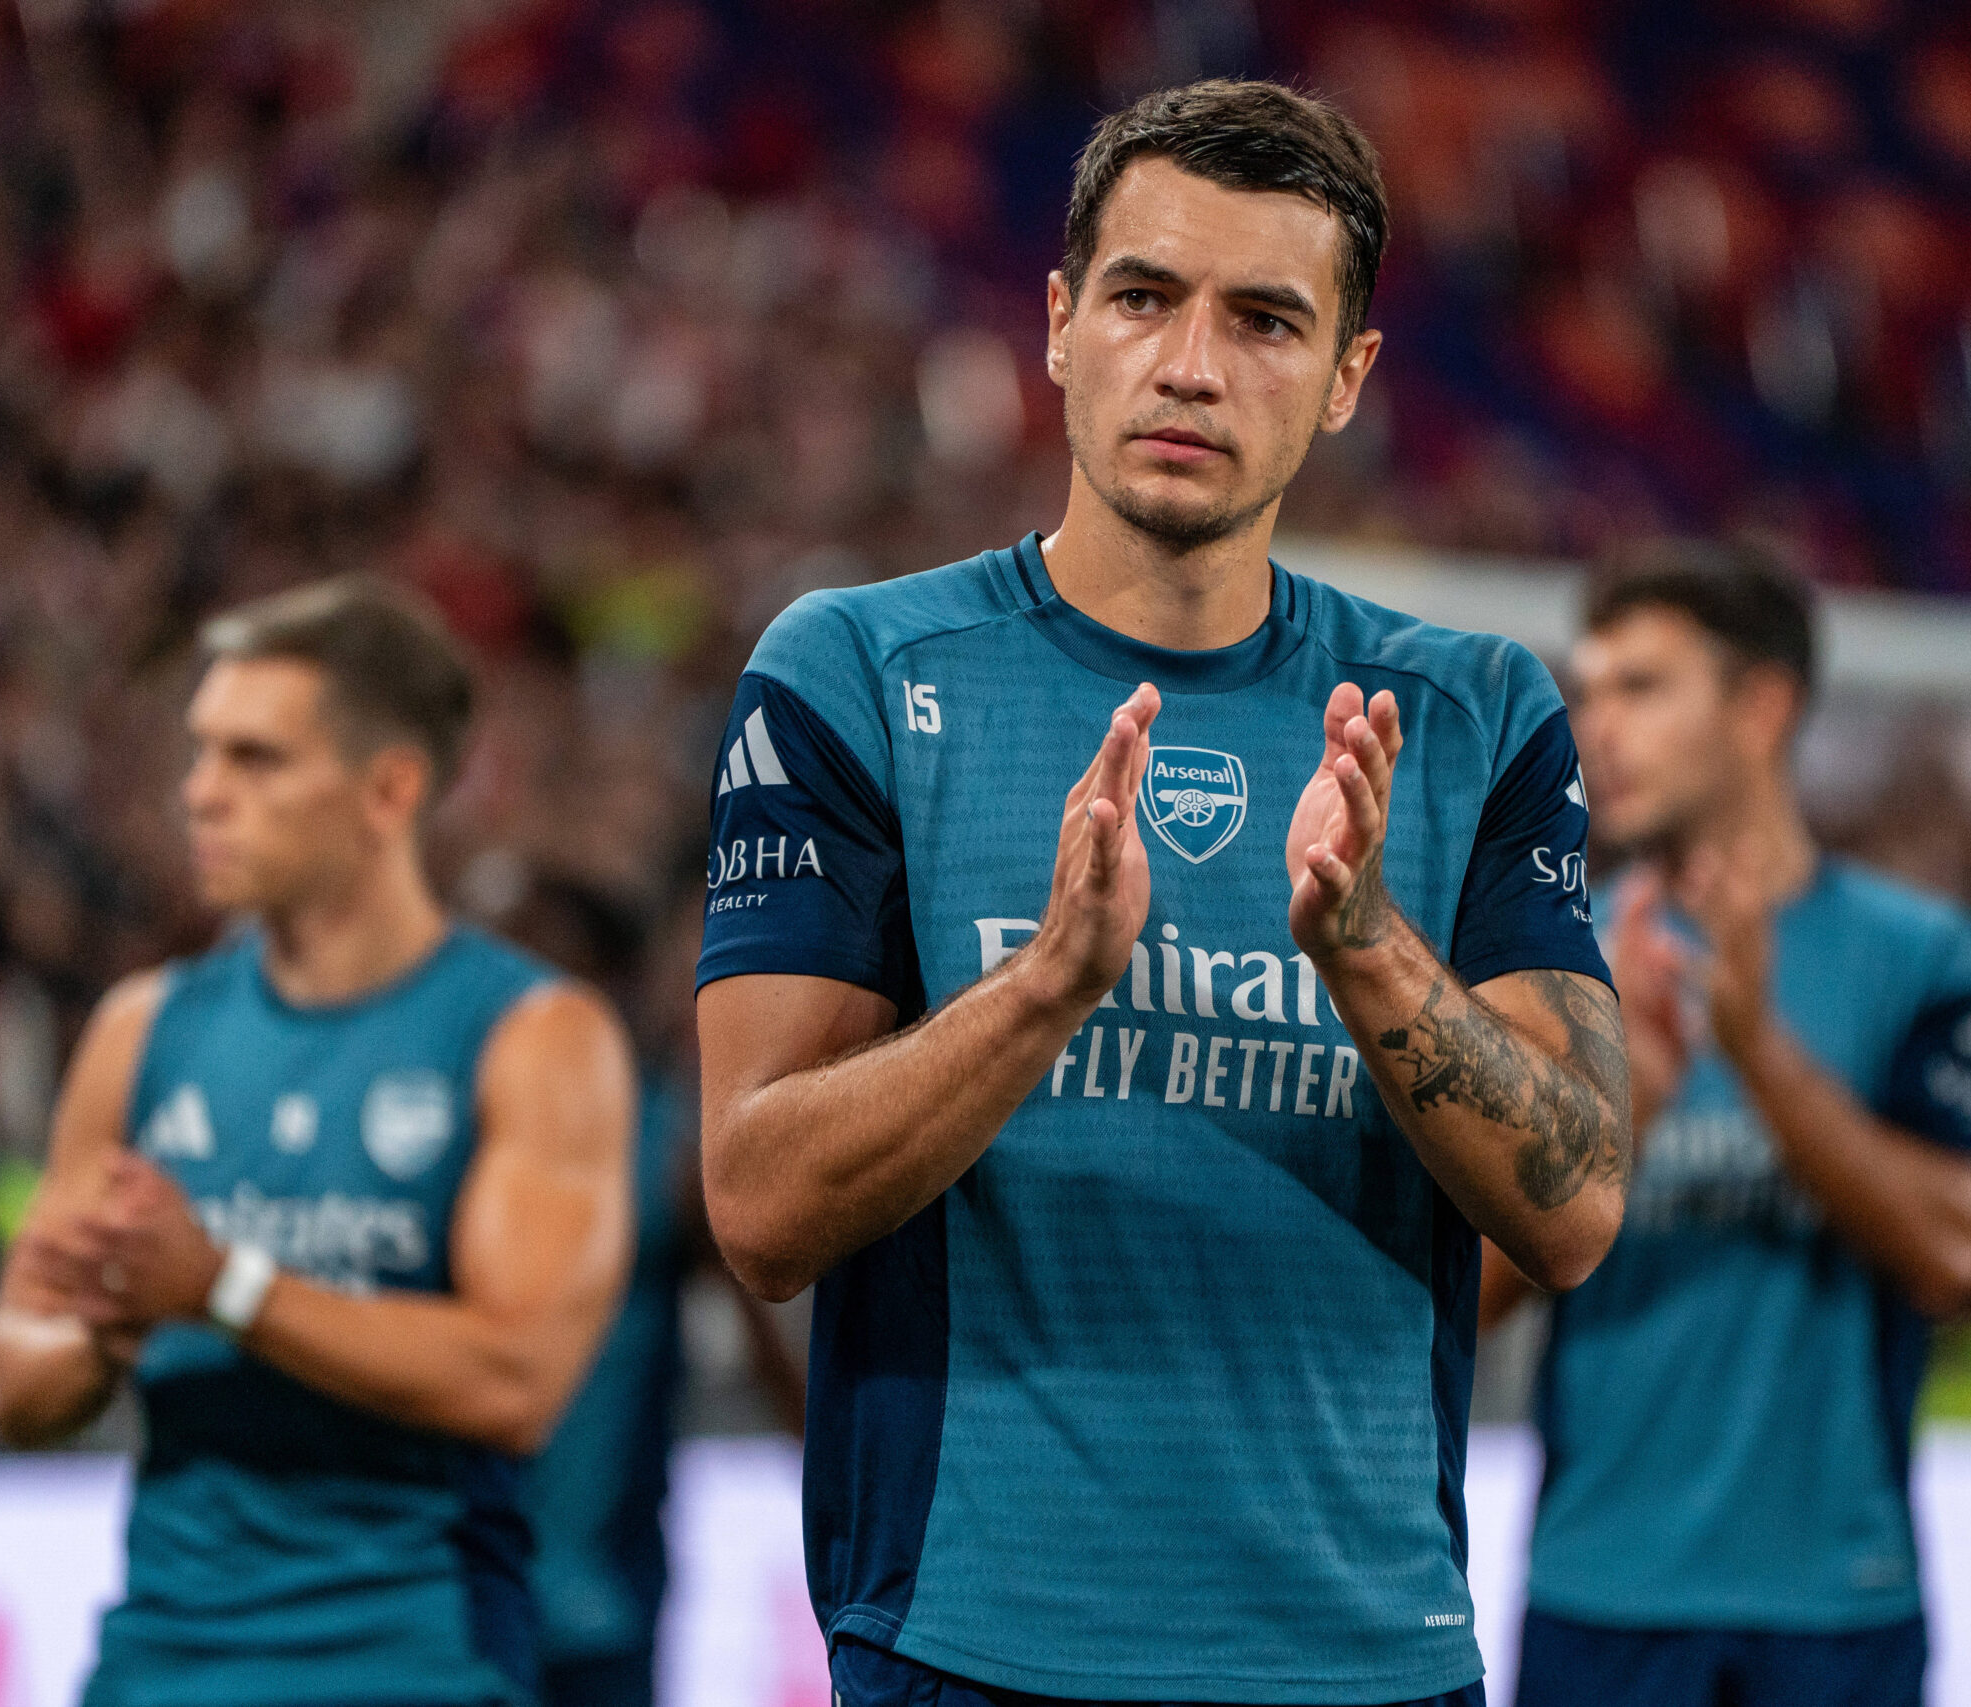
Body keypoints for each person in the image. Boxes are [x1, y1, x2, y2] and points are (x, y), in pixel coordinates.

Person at [696, 79, 1630, 1707]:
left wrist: (1368, 954)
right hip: (973, 1649)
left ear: (1349, 380)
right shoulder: (853, 673)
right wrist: (1043, 986)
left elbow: (1573, 1208)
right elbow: (761, 1210)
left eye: (1268, 320)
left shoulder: (1470, 711)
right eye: (1143, 296)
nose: (1191, 364)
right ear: (1058, 324)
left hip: (1367, 1661)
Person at [0, 577, 635, 1707]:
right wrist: (104, 1328)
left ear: (390, 788)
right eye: (199, 754)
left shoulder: (532, 1038)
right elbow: (12, 1382)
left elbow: (516, 1378)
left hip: (414, 1663)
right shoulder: (141, 1033)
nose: (200, 795)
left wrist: (222, 1286)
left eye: (255, 759)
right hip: (160, 1663)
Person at [1489, 542, 1971, 1707]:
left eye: (1642, 689)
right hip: (1599, 1593)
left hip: (1834, 1603)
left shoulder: (1919, 957)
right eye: (1588, 690)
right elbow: (1452, 1296)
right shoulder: (1546, 959)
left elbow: (1958, 1257)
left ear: (1762, 708)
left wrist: (1758, 1052)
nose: (1596, 729)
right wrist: (1624, 1104)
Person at [500, 872, 806, 1707]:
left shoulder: (670, 1138)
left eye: (540, 971)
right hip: (446, 1598)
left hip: (602, 1603)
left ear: (610, 985)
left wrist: (832, 1479)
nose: (507, 1000)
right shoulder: (434, 1131)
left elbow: (764, 1333)